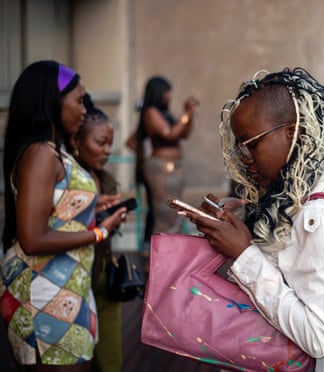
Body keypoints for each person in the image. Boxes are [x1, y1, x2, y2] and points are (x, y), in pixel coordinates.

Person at [185, 67, 324, 371]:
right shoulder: (299, 187)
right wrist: (241, 226)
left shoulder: (318, 214)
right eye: (239, 147)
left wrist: (244, 254)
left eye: (252, 143)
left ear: (294, 133)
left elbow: (318, 337)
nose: (244, 158)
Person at [0, 60, 127, 371]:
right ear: (53, 101)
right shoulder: (40, 154)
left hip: (65, 285)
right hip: (44, 290)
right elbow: (32, 238)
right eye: (79, 100)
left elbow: (54, 209)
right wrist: (100, 232)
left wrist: (89, 210)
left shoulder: (53, 151)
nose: (84, 109)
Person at [69, 93, 123, 372]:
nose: (106, 151)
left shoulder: (108, 180)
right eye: (100, 143)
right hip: (74, 283)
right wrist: (101, 228)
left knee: (112, 361)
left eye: (110, 144)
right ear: (77, 142)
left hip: (104, 280)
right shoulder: (65, 183)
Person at [135, 75, 197, 238]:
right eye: (166, 92)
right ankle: (161, 253)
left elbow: (184, 133)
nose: (169, 95)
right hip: (161, 167)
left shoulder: (164, 113)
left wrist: (189, 116)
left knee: (174, 213)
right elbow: (169, 134)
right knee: (165, 212)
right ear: (157, 92)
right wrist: (185, 114)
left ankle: (170, 251)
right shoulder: (150, 112)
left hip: (173, 167)